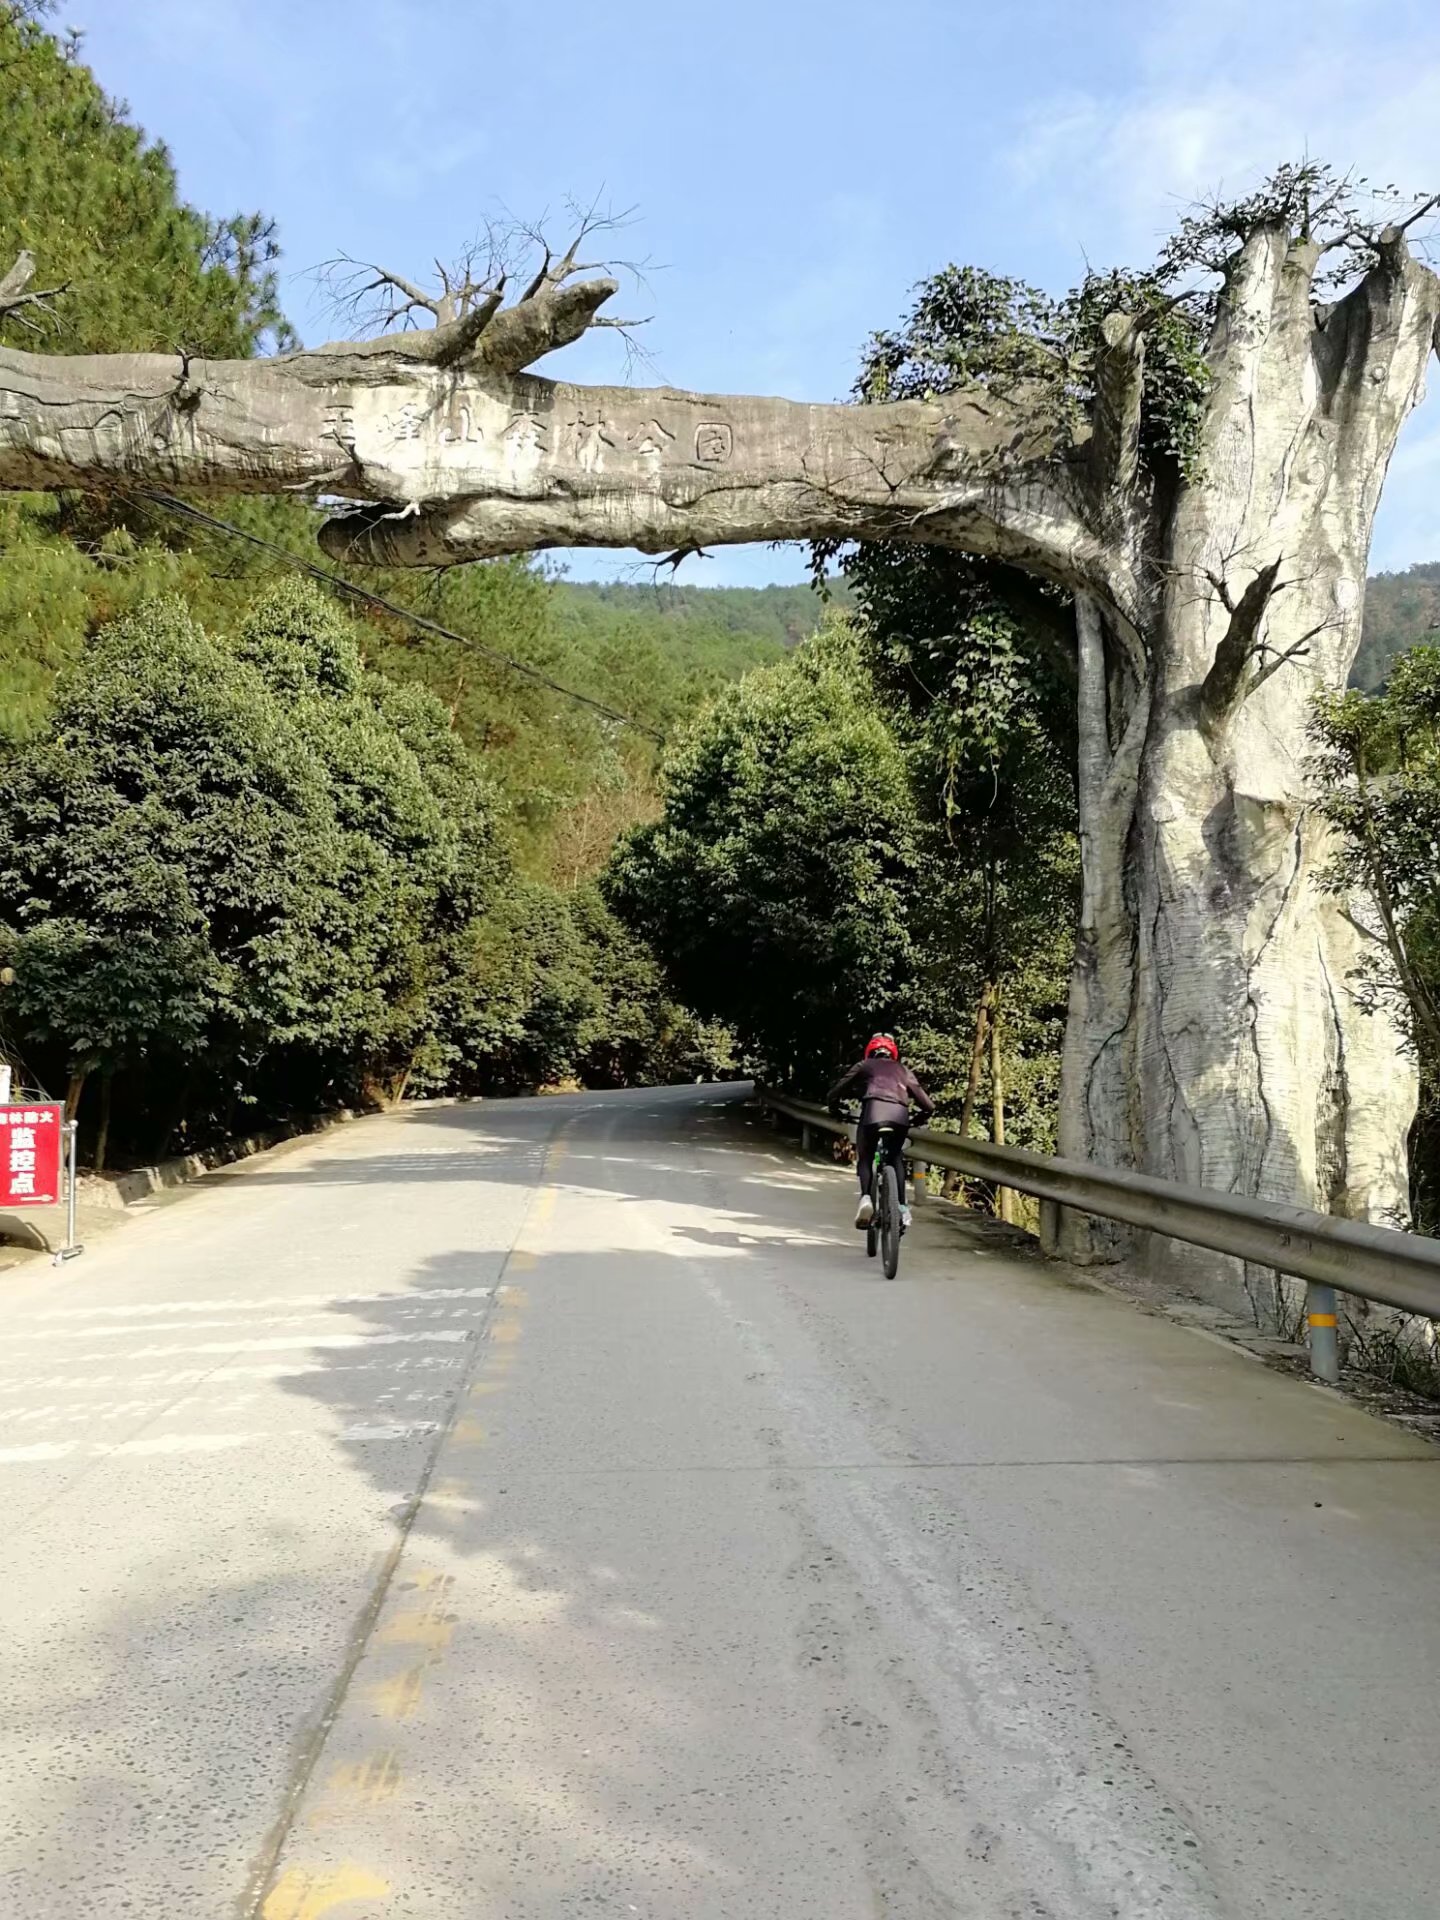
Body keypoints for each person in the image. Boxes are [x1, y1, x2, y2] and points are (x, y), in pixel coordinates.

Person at [827, 1033, 935, 1232]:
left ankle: (866, 1198)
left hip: (872, 1115)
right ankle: (902, 1207)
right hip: (900, 1118)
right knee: (895, 1157)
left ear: (871, 1051)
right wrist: (917, 1119)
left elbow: (837, 1090)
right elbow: (928, 1105)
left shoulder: (864, 1065)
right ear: (893, 1053)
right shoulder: (903, 1070)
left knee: (866, 1157)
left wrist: (834, 1108)